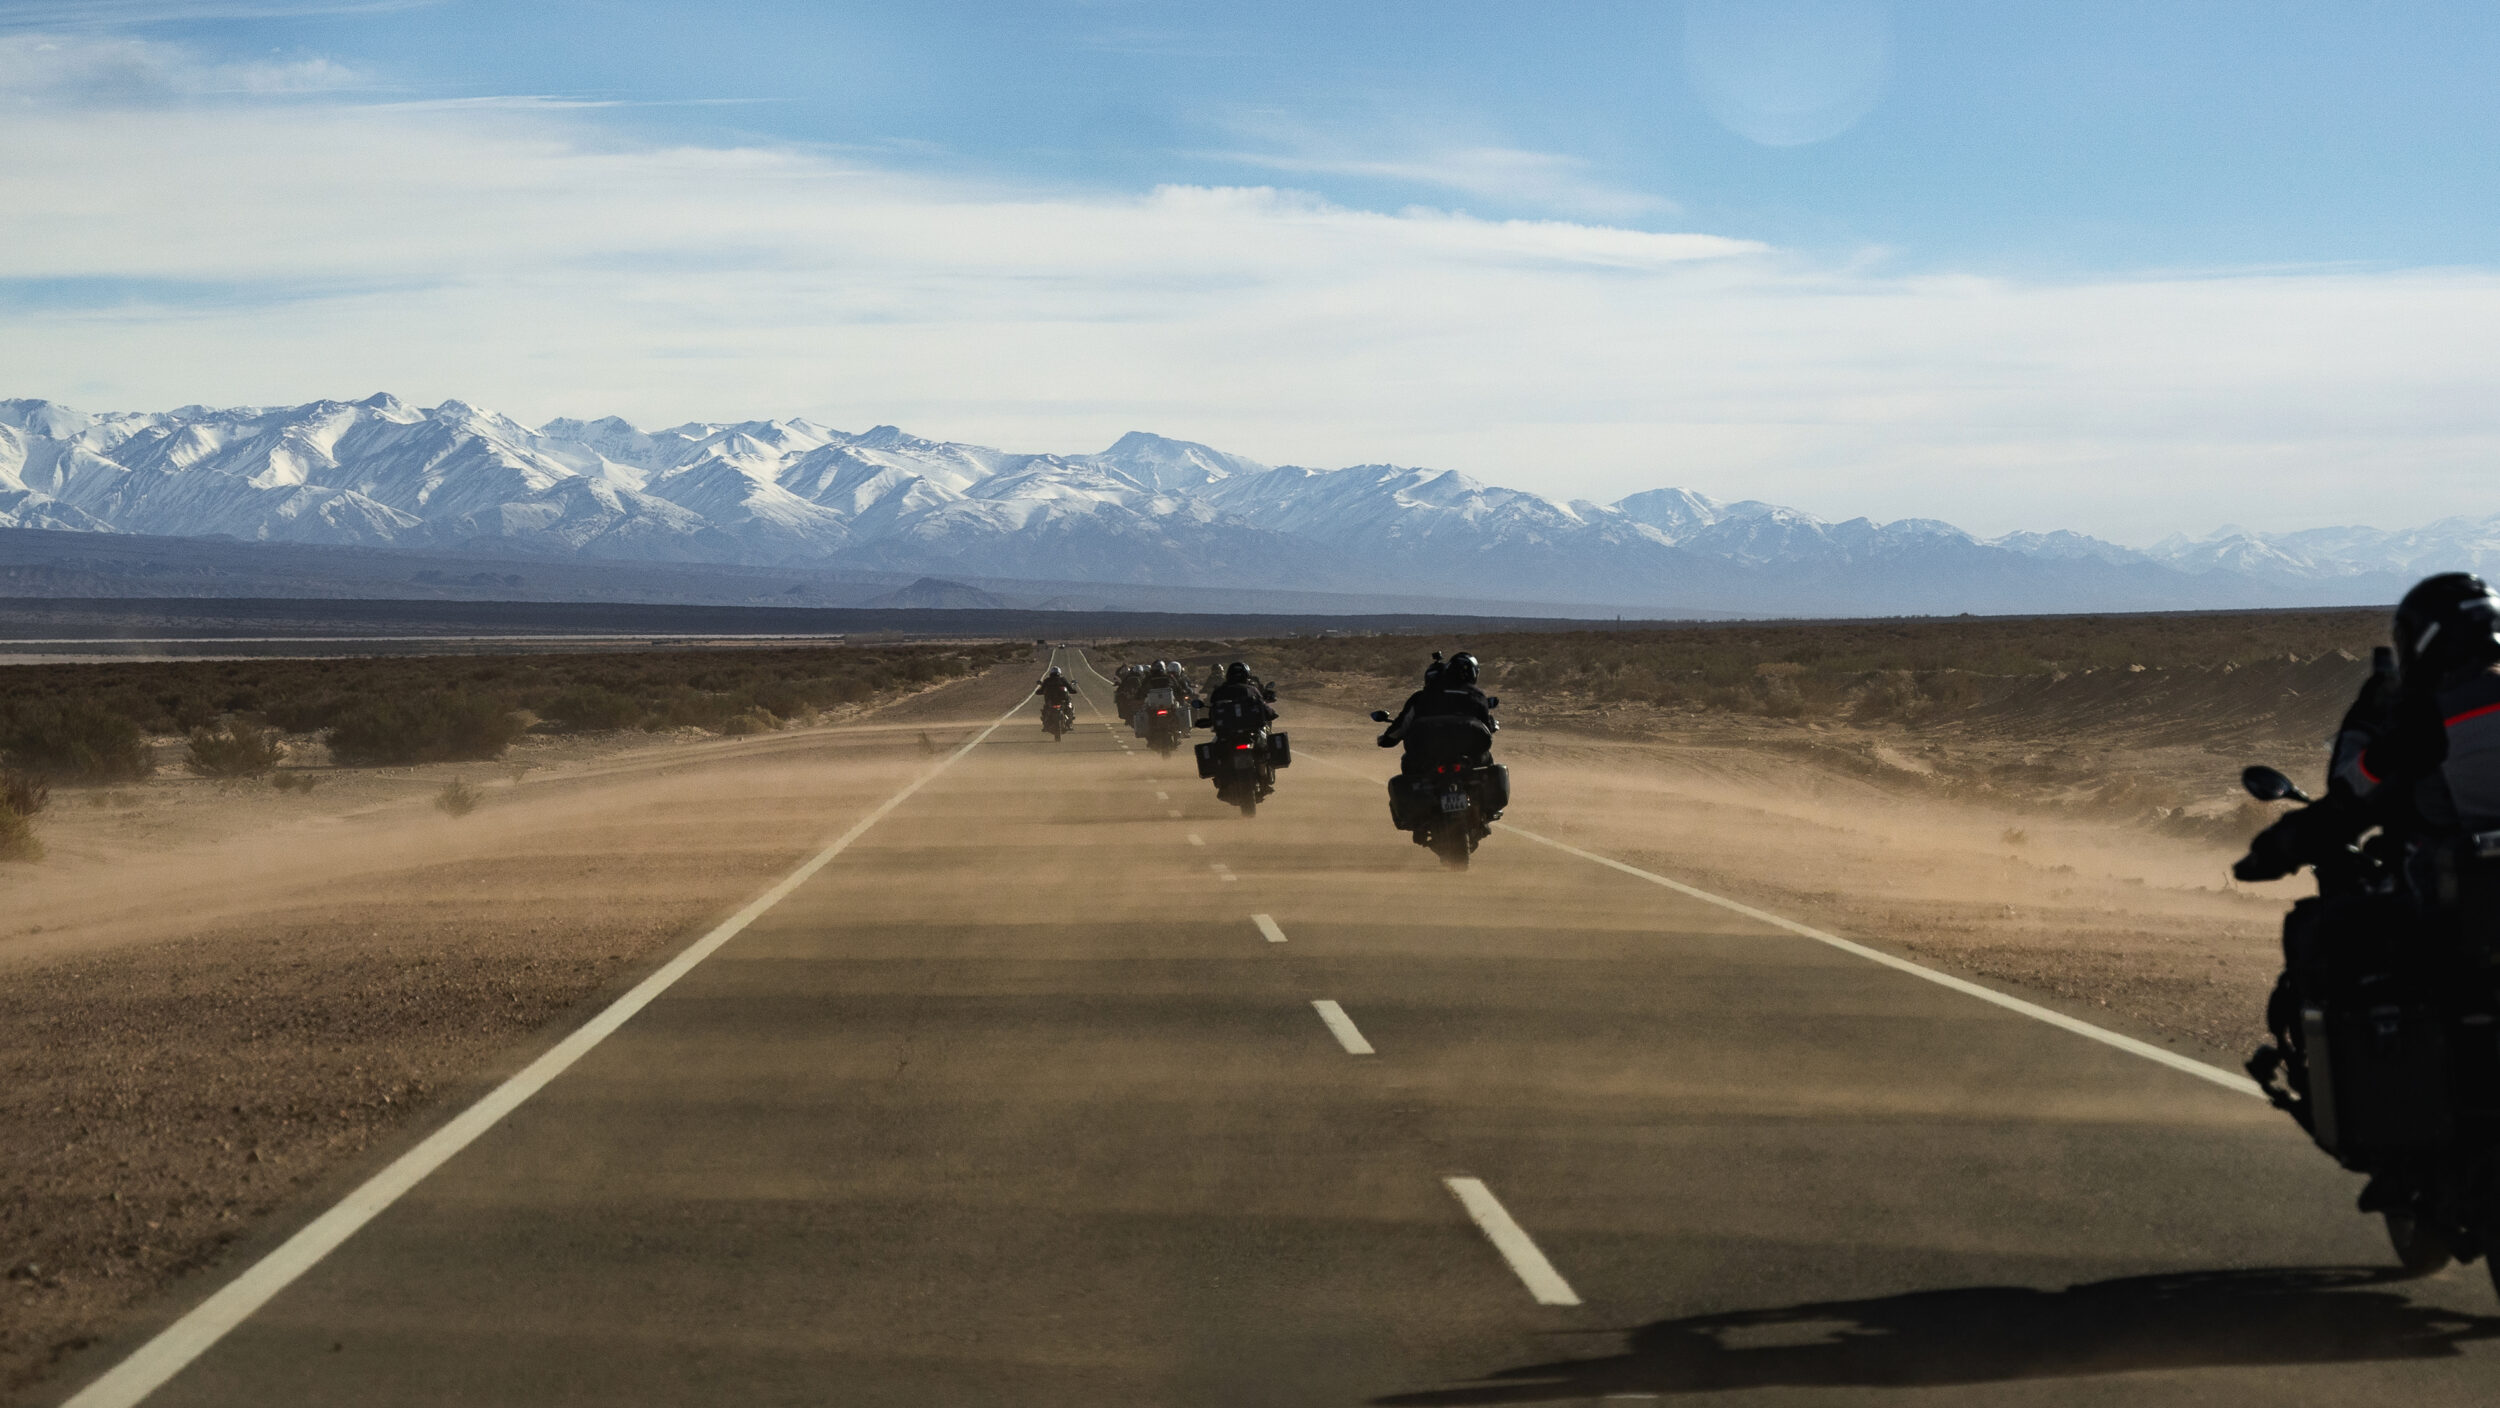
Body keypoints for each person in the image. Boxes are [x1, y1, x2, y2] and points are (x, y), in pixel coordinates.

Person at [2238, 573, 2500, 887]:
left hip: (2462, 908)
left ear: (2429, 639)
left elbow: (2351, 794)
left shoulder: (2428, 719)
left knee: (2318, 926)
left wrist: (2364, 719)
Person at [1377, 650, 1497, 773]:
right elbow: (1486, 727)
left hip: (1427, 756)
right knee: (1486, 758)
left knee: (1408, 761)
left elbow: (1402, 725)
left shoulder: (1421, 697)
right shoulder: (1477, 695)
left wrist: (1387, 739)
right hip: (1467, 756)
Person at [1204, 660, 1277, 736]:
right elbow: (1263, 706)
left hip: (1227, 732)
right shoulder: (1252, 689)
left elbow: (1212, 710)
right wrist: (1271, 713)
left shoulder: (1220, 690)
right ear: (1246, 676)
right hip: (1249, 729)